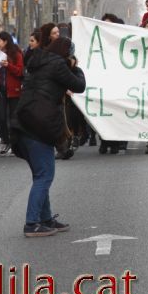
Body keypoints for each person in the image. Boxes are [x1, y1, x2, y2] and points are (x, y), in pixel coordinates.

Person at [13, 36, 86, 237]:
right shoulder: (59, 65)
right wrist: (75, 67)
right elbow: (79, 85)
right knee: (45, 175)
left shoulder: (38, 62)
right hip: (39, 126)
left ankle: (45, 218)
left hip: (23, 123)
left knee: (40, 175)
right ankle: (32, 223)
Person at [0, 31, 25, 155]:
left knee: (13, 118)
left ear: (5, 41)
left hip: (14, 90)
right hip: (0, 90)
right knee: (1, 118)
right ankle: (5, 140)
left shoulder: (16, 54)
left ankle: (15, 142)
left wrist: (8, 66)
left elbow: (20, 71)